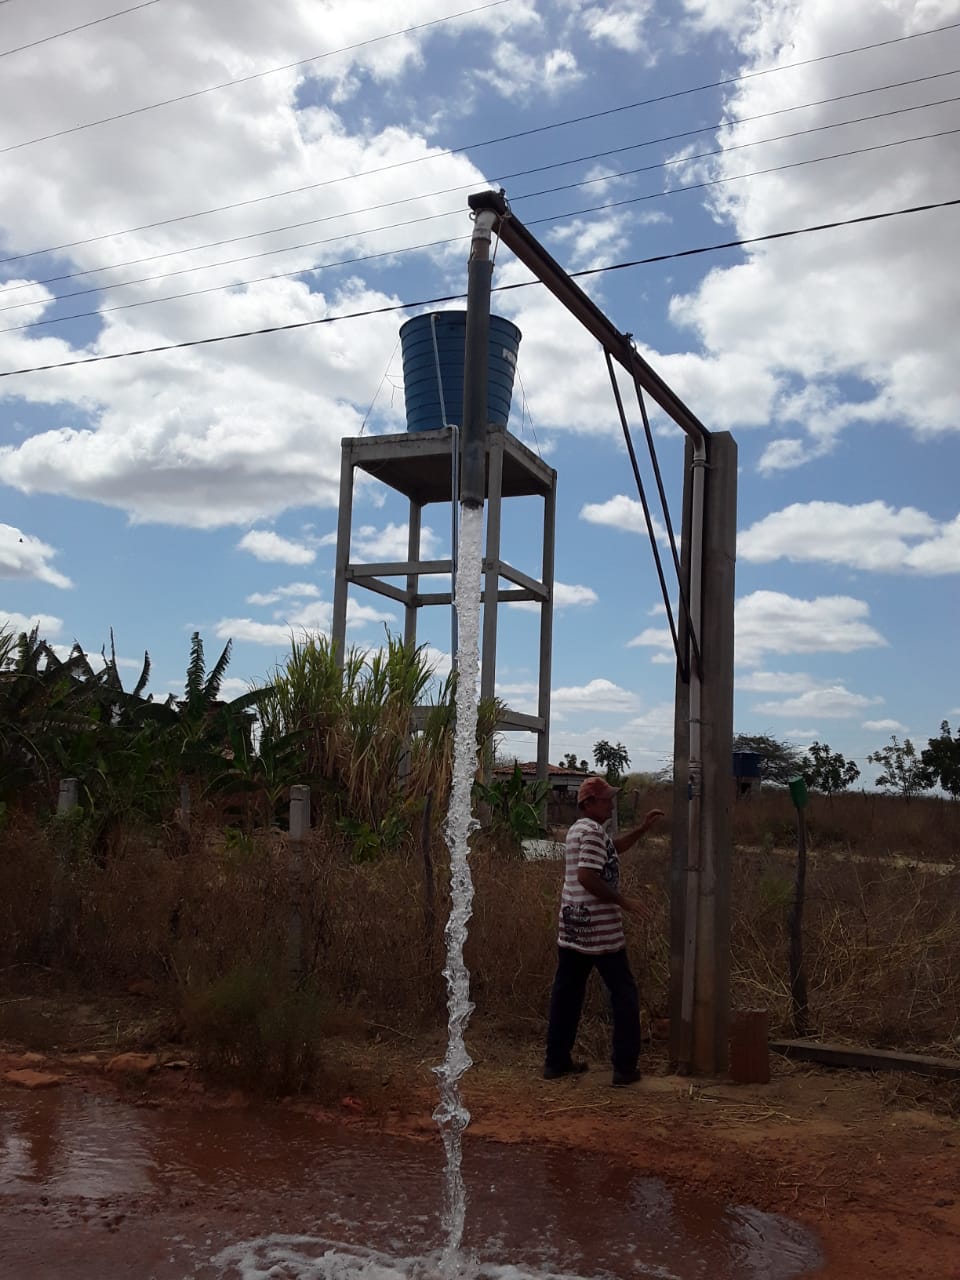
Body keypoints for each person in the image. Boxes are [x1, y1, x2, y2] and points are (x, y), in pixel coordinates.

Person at [543, 775, 665, 1087]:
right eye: (606, 799)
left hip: (572, 926)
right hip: (599, 929)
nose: (611, 803)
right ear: (588, 803)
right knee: (624, 994)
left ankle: (556, 1062)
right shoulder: (594, 832)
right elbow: (587, 876)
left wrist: (641, 829)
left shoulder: (579, 830)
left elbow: (612, 850)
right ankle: (624, 1068)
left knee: (567, 993)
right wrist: (623, 901)